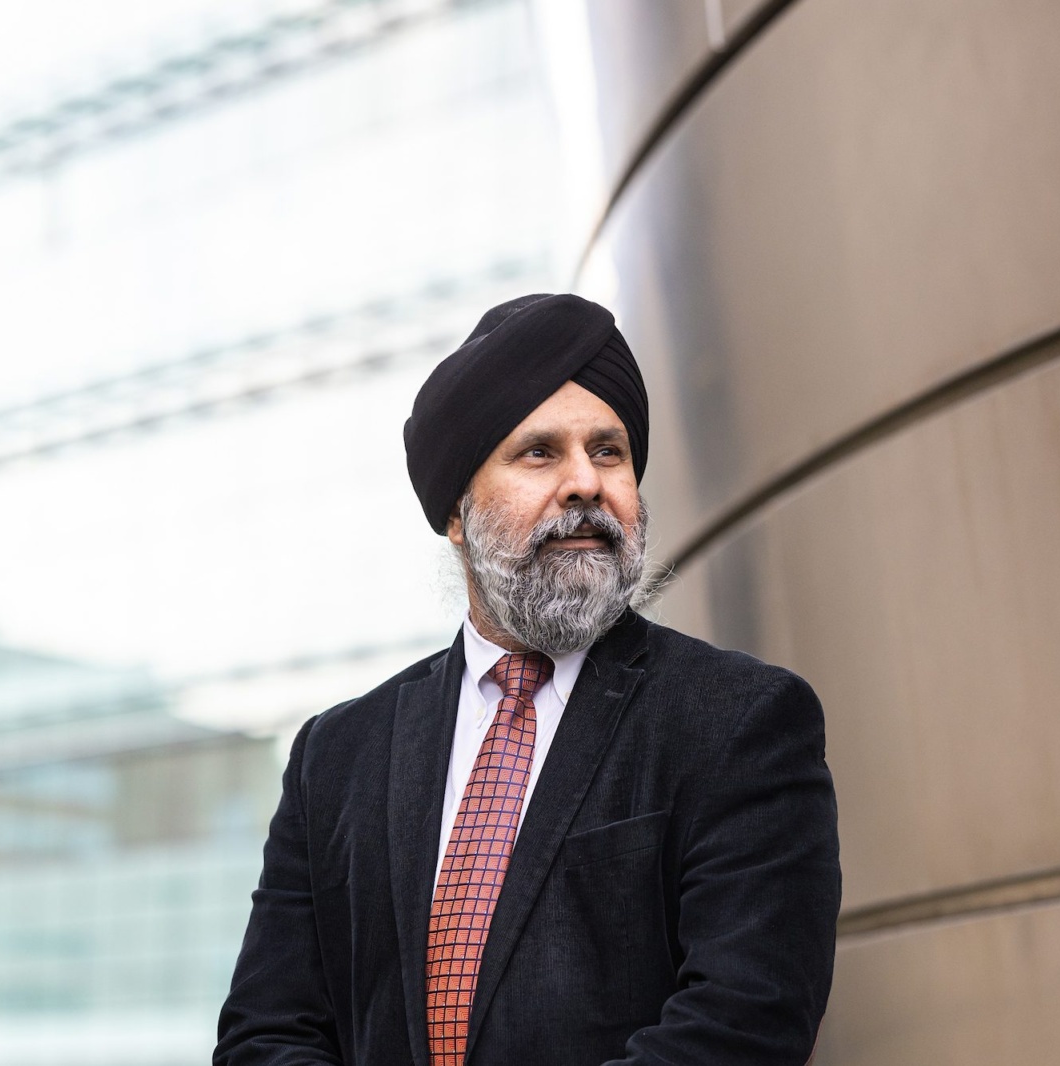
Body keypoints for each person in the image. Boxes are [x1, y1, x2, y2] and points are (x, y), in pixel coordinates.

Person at [214, 293, 840, 1066]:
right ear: (456, 511)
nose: (585, 482)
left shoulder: (738, 720)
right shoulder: (335, 756)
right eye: (540, 453)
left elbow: (743, 1023)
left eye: (609, 451)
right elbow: (267, 1036)